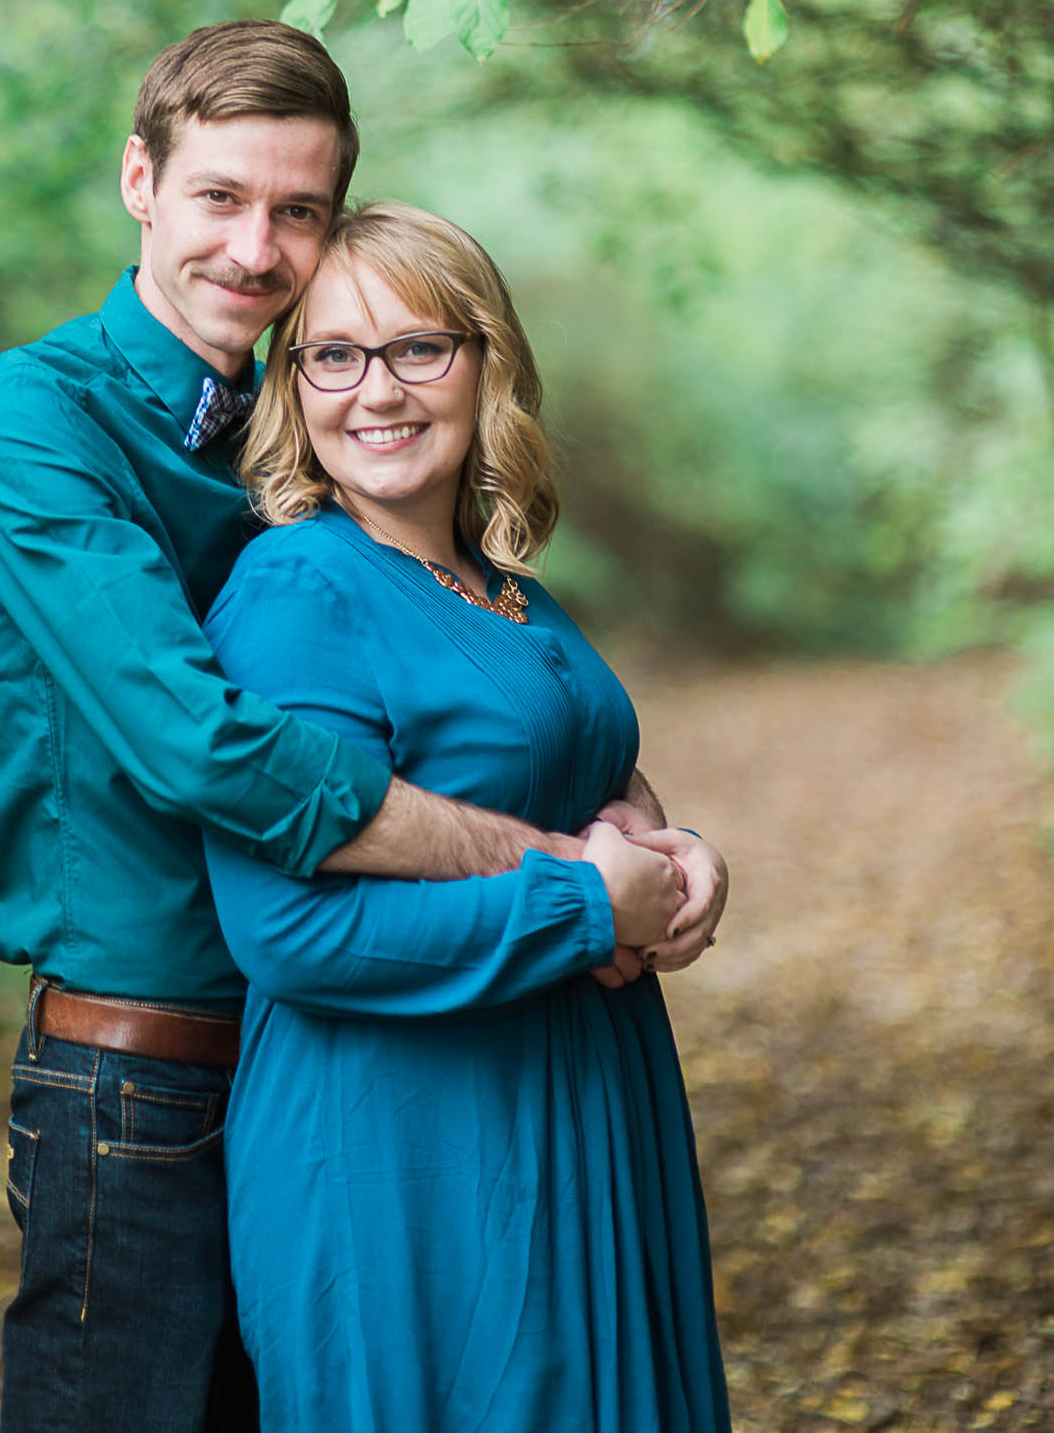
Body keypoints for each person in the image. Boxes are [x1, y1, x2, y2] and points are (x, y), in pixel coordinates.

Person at [0, 23, 725, 1433]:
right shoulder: (38, 421)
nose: (256, 246)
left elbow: (470, 682)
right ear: (140, 178)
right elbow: (208, 748)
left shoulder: (299, 424)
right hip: (145, 1074)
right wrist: (558, 869)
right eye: (221, 197)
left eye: (298, 209)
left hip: (343, 1058)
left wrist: (640, 823)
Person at [203, 201, 731, 1433]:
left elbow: (573, 775)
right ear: (292, 385)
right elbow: (291, 933)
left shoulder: (506, 590)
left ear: (487, 359)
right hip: (408, 1151)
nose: (373, 391)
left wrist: (677, 852)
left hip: (585, 1103)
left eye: (417, 350)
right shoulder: (298, 588)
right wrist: (585, 902)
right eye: (332, 355)